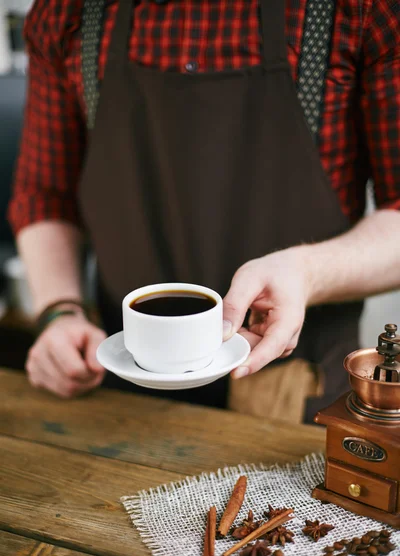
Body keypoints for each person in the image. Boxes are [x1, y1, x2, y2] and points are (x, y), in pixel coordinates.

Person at [8, 0, 400, 422]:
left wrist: (307, 272)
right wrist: (60, 311)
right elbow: (46, 195)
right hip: (122, 395)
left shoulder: (361, 11)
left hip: (291, 395)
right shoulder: (68, 12)